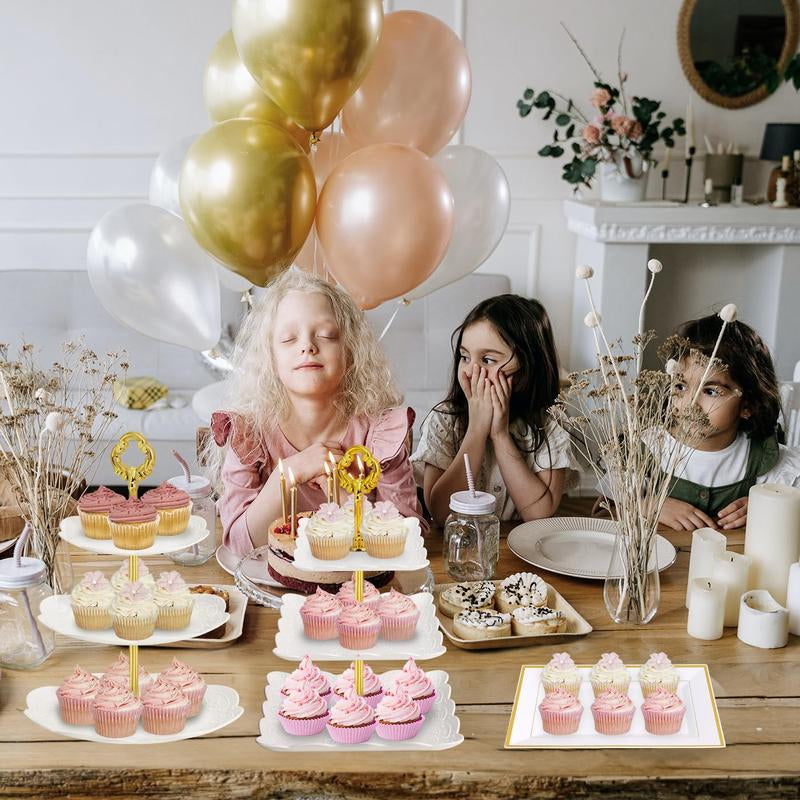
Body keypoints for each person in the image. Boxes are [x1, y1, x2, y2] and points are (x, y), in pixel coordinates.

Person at [209, 269, 424, 556]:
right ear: (270, 358)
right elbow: (241, 544)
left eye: (326, 335)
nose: (308, 347)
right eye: (288, 338)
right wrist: (289, 473)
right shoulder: (249, 433)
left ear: (350, 350)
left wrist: (335, 485)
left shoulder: (380, 434)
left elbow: (407, 539)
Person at [412, 294, 575, 525]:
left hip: (519, 549)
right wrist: (476, 431)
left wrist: (500, 435)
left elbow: (538, 514)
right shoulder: (445, 420)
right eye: (465, 357)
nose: (470, 371)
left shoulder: (550, 424)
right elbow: (440, 514)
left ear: (527, 365)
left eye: (487, 360)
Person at [657, 313, 800, 531]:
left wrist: (770, 507)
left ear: (748, 405)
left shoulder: (764, 459)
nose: (690, 404)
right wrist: (651, 505)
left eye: (711, 391)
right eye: (680, 387)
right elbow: (603, 509)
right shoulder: (648, 448)